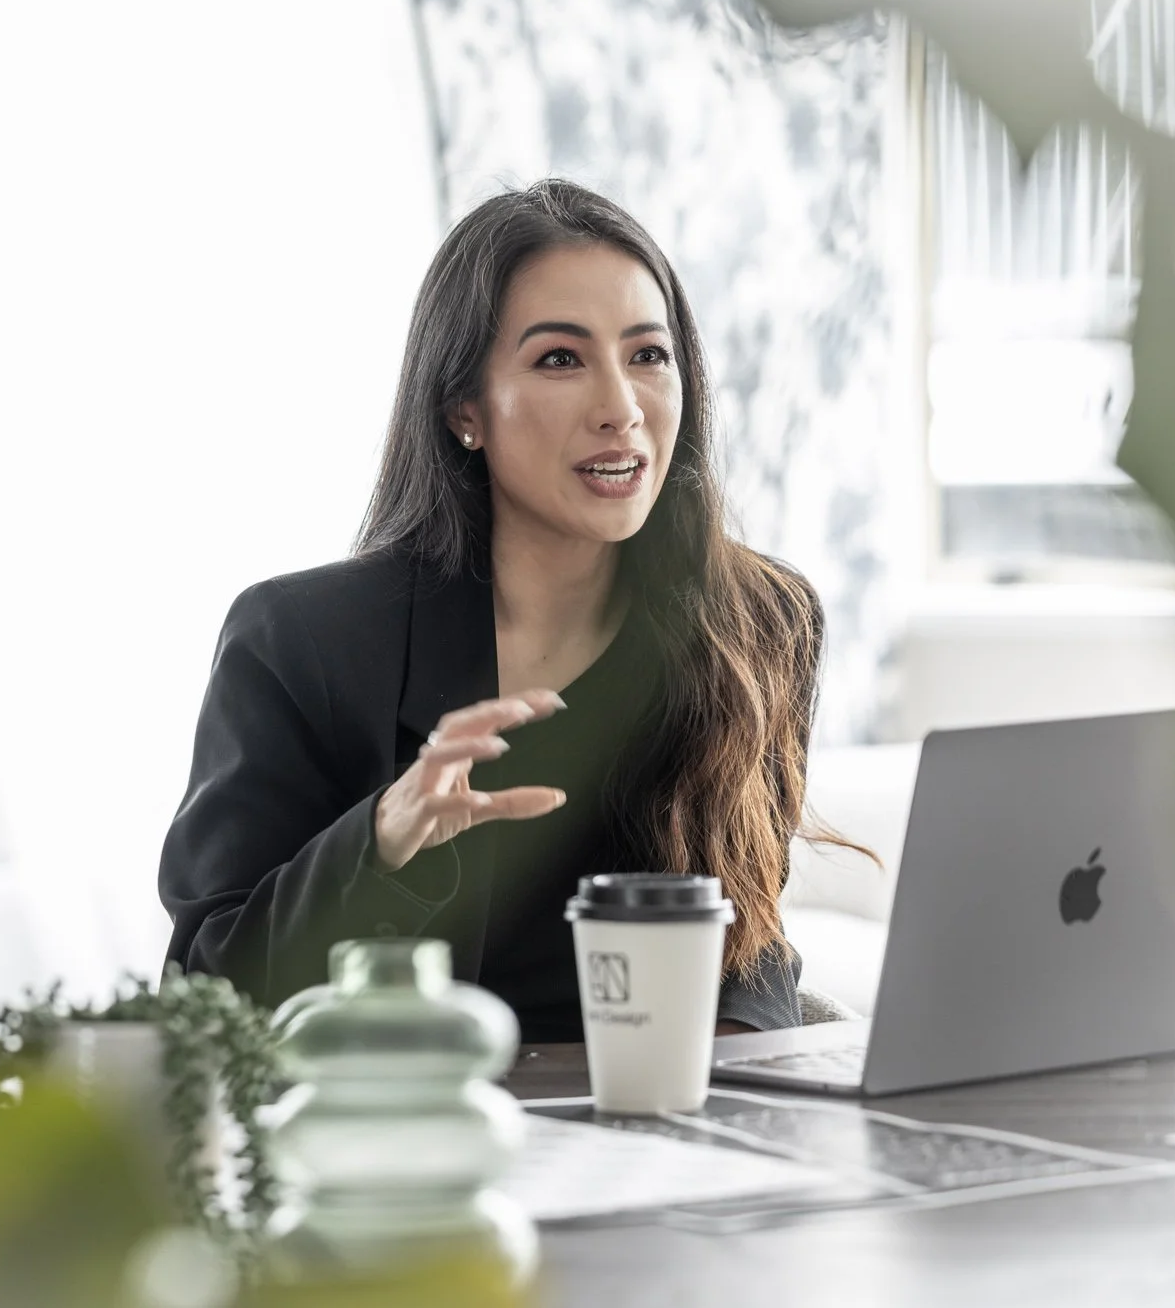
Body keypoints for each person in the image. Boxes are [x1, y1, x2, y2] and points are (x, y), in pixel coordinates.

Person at [158, 178, 852, 1042]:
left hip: (670, 1131)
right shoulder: (301, 644)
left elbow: (747, 940)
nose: (621, 408)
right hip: (427, 1133)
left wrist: (744, 1090)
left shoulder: (759, 621)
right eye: (560, 359)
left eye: (648, 355)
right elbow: (205, 991)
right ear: (464, 411)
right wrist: (381, 840)